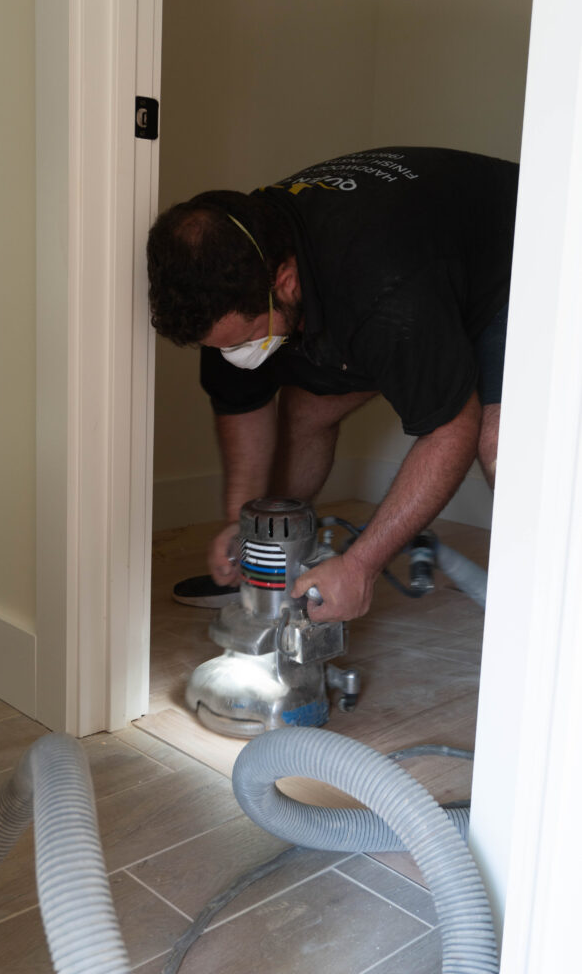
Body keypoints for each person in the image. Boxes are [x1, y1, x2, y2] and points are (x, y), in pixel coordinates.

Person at [147, 146, 518, 623]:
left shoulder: (382, 291)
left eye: (245, 340)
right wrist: (243, 528)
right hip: (426, 262)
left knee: (500, 446)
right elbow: (243, 404)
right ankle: (273, 565)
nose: (235, 354)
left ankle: (553, 632)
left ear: (285, 282)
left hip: (525, 253)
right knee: (308, 410)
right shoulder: (232, 268)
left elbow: (450, 429)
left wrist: (361, 564)